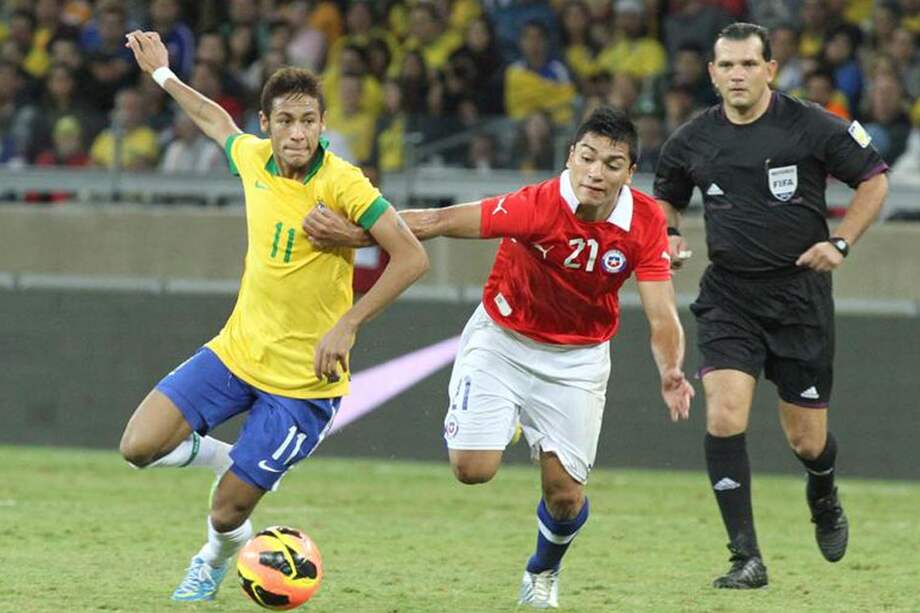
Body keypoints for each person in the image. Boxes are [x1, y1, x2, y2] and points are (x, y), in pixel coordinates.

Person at [303, 106, 695, 609]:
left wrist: (671, 371)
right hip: (503, 342)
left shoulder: (644, 224)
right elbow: (442, 220)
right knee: (472, 469)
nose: (596, 173)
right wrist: (357, 235)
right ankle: (505, 415)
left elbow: (662, 315)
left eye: (612, 164)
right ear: (571, 156)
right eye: (588, 158)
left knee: (565, 496)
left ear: (629, 172)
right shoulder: (536, 205)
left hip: (577, 360)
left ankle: (542, 572)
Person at [117, 30, 429, 603]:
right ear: (267, 124)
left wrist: (350, 322)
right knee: (138, 447)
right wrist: (162, 74)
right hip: (237, 352)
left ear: (323, 123)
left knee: (227, 508)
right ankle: (233, 459)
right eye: (285, 121)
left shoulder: (345, 183)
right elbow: (213, 120)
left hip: (303, 383)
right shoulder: (253, 159)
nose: (297, 133)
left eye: (308, 120)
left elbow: (412, 256)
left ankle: (210, 562)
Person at [654, 23, 888, 589]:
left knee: (807, 441)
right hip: (730, 294)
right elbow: (667, 196)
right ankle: (746, 558)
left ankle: (824, 491)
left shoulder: (809, 124)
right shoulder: (691, 139)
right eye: (726, 66)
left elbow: (874, 180)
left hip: (799, 297)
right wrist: (668, 234)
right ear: (712, 73)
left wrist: (840, 243)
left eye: (748, 65)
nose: (737, 75)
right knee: (724, 416)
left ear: (770, 69)